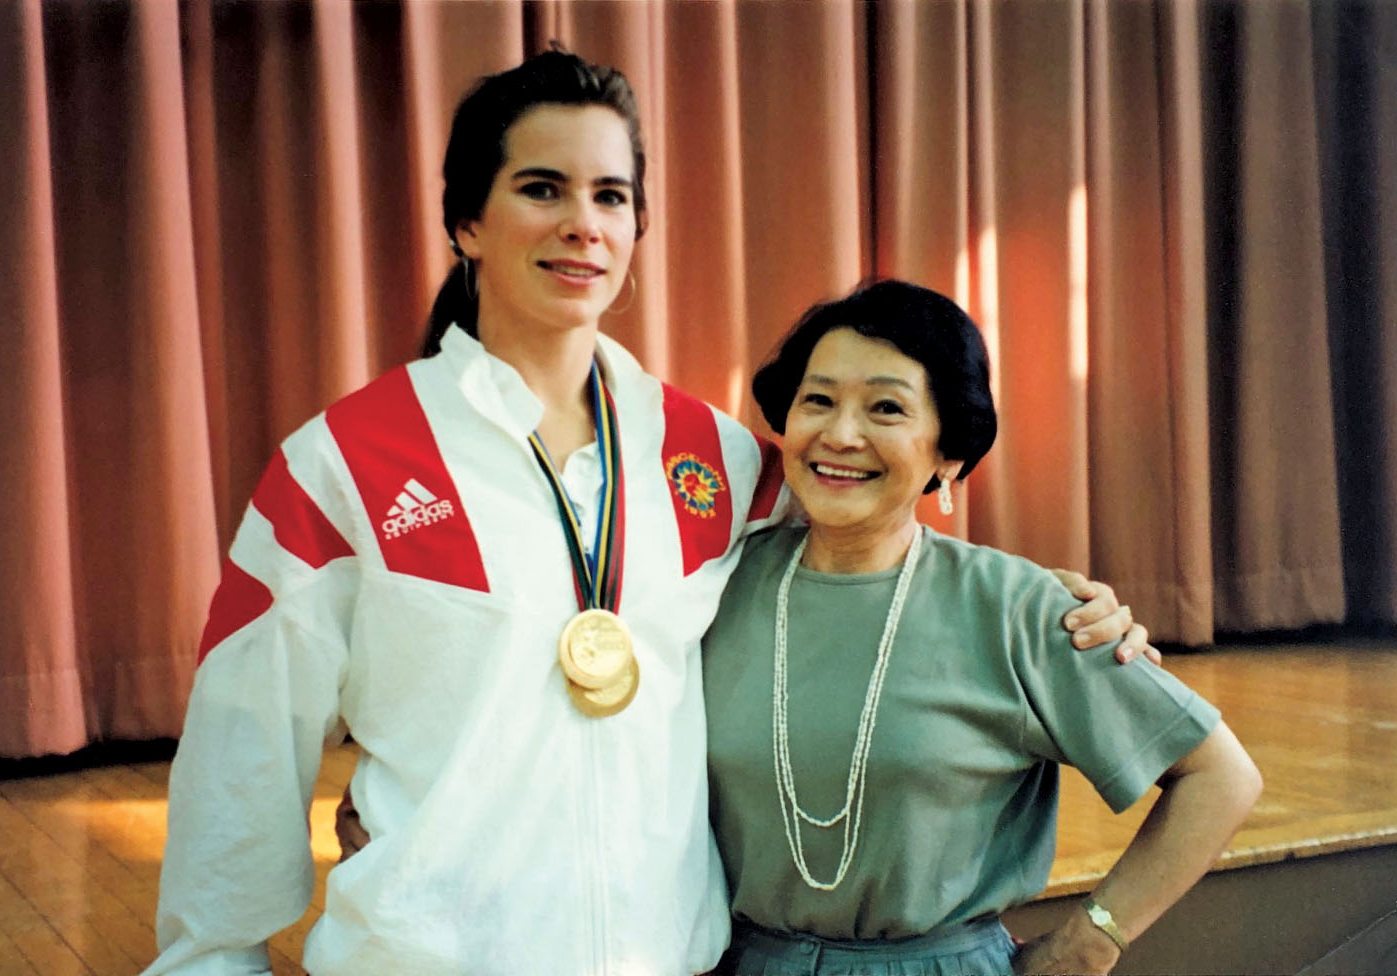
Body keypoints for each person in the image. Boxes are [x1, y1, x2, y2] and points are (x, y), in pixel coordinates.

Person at [147, 51, 1143, 975]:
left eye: (610, 196)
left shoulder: (707, 454)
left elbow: (867, 532)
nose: (583, 222)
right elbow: (245, 745)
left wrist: (1037, 598)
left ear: (634, 230)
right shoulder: (342, 464)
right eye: (541, 188)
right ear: (465, 223)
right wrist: (212, 956)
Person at [703, 279, 1263, 976]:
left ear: (948, 454)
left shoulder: (1017, 606)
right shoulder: (713, 585)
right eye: (817, 400)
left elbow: (1218, 776)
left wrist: (1091, 942)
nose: (840, 435)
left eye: (885, 408)